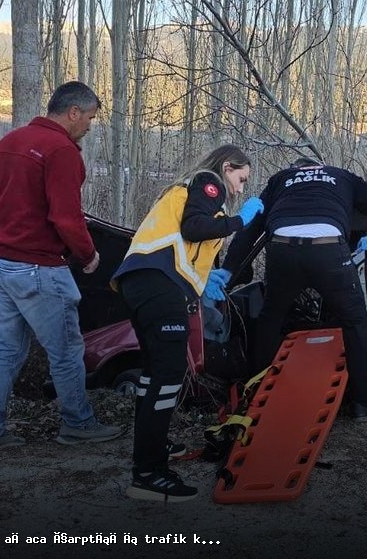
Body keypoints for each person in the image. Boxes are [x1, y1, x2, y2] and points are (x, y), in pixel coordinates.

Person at [0, 81, 122, 454]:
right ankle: (78, 423)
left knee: (7, 348)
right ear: (73, 112)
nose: (89, 125)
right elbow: (67, 217)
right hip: (36, 267)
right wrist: (88, 256)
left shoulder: (10, 142)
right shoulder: (62, 151)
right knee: (68, 349)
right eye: (89, 118)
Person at [112, 144, 263, 502]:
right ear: (227, 168)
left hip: (143, 283)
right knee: (167, 377)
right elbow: (195, 228)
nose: (240, 188)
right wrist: (242, 220)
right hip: (158, 284)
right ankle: (148, 474)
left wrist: (205, 278)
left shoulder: (190, 189)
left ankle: (155, 447)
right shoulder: (208, 183)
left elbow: (188, 241)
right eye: (240, 179)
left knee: (153, 377)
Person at [222, 157, 367, 422]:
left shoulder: (281, 179)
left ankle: (254, 395)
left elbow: (251, 228)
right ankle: (362, 404)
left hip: (282, 250)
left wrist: (228, 271)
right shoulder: (342, 175)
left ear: (296, 169)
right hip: (328, 248)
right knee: (355, 321)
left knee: (270, 319)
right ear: (319, 167)